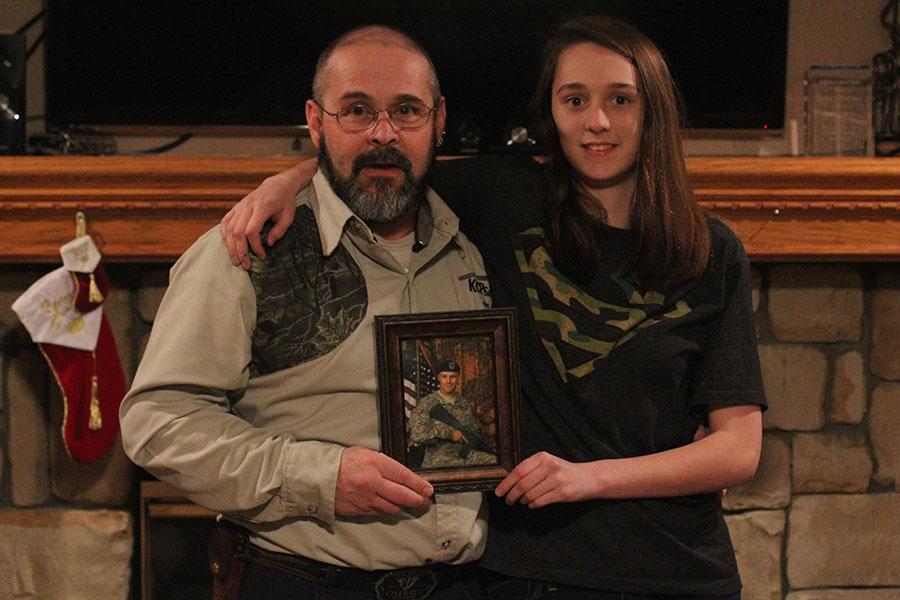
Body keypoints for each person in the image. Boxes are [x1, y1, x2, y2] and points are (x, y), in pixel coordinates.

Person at [221, 15, 766, 599]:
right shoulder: (503, 196)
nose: (597, 121)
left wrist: (588, 479)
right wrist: (287, 181)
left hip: (680, 570)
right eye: (574, 99)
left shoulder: (710, 252)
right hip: (532, 572)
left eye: (620, 99)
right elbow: (385, 161)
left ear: (652, 109)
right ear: (550, 114)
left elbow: (738, 450)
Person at [120, 26, 494, 600]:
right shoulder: (247, 249)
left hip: (469, 585)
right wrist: (319, 477)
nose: (384, 134)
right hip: (301, 583)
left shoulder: (484, 237)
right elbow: (158, 424)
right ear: (316, 122)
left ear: (440, 120)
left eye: (407, 111)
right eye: (357, 111)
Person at [407, 359, 496, 468]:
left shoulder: (464, 403)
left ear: (458, 378)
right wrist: (449, 433)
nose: (448, 381)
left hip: (464, 455)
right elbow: (416, 434)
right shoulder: (427, 403)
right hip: (437, 460)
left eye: (452, 377)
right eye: (444, 377)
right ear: (439, 378)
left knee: (495, 462)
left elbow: (474, 431)